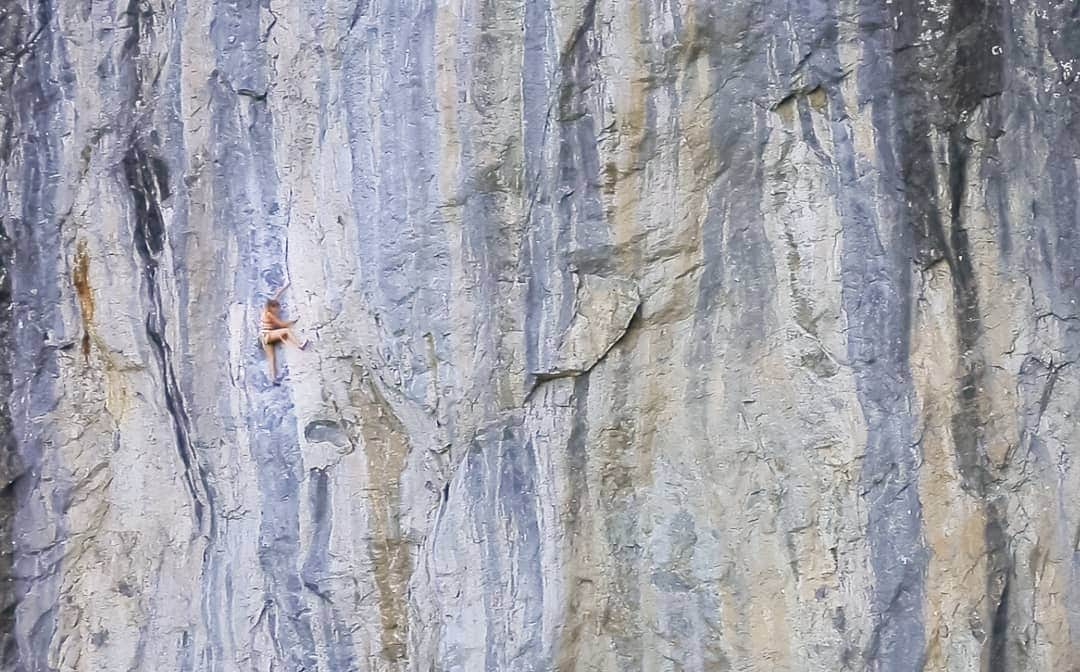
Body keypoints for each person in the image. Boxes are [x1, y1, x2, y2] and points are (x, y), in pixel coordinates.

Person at [260, 282, 308, 383]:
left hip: (264, 337)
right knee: (286, 331)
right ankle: (300, 345)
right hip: (268, 335)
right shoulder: (269, 314)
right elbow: (281, 325)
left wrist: (285, 286)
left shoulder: (267, 308)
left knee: (272, 358)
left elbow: (276, 296)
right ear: (272, 307)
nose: (278, 310)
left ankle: (273, 379)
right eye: (276, 308)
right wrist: (294, 321)